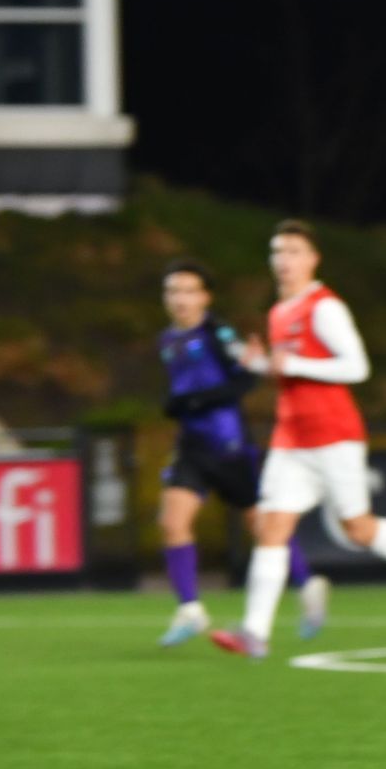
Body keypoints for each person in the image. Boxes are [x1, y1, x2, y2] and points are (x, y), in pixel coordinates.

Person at [210, 221, 386, 658]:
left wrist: (294, 365)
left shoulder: (325, 308)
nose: (284, 260)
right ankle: (254, 633)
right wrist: (262, 366)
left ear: (313, 259)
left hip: (334, 436)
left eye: (293, 252)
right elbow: (290, 372)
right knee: (271, 527)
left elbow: (357, 367)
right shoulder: (278, 311)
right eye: (277, 252)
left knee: (358, 529)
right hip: (291, 439)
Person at [152, 261, 327, 648]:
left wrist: (195, 400)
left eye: (188, 291)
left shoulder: (218, 333)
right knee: (171, 521)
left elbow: (246, 377)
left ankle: (307, 585)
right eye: (173, 291)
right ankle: (190, 610)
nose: (180, 299)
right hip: (192, 448)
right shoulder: (166, 340)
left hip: (230, 447)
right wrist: (177, 404)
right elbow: (183, 389)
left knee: (263, 528)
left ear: (205, 297)